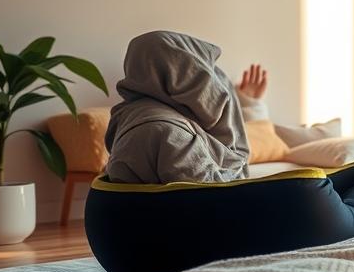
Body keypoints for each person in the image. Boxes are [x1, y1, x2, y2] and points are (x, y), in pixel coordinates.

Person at [104, 31, 250, 184]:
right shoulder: (171, 134)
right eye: (202, 71)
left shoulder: (125, 119)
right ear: (189, 76)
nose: (213, 84)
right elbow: (213, 191)